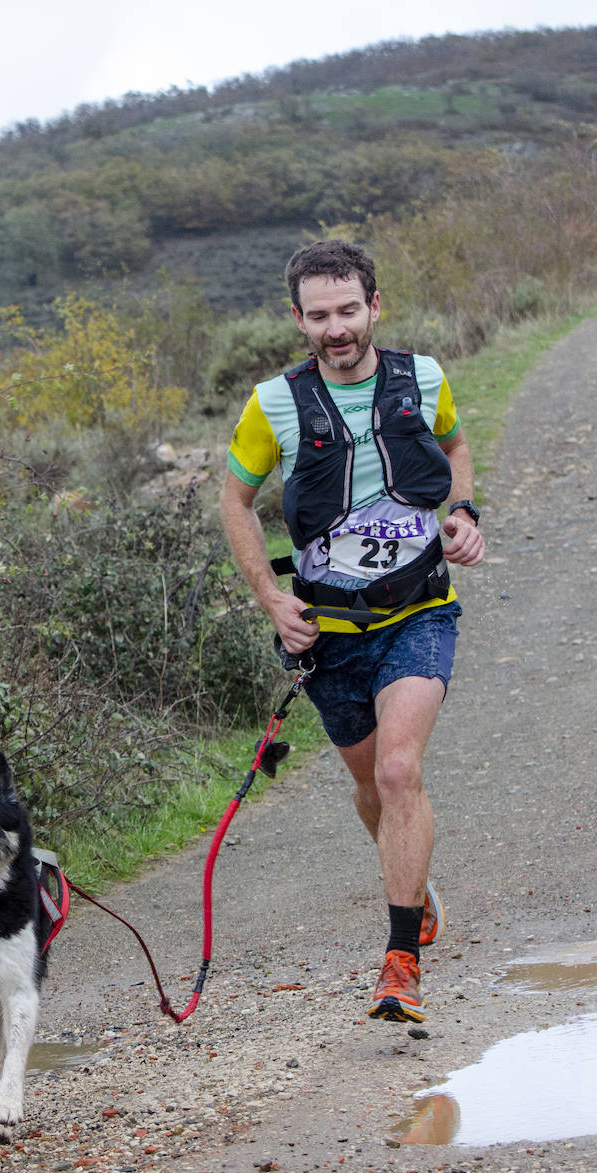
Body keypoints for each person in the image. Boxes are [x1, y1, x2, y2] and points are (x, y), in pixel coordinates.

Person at [220, 238, 485, 1023]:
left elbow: (454, 444)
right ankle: (415, 886)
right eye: (318, 316)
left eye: (347, 311)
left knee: (399, 773)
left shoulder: (422, 378)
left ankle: (399, 962)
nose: (335, 328)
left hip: (417, 612)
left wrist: (464, 512)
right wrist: (272, 599)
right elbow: (235, 501)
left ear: (374, 306)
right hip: (328, 634)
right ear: (296, 318)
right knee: (370, 788)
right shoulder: (272, 404)